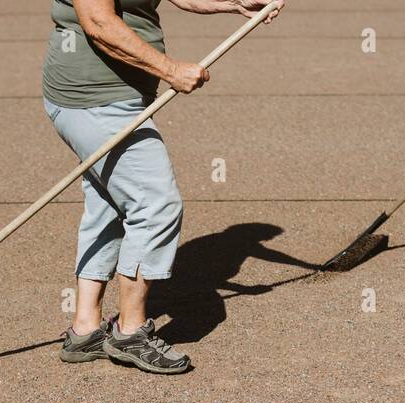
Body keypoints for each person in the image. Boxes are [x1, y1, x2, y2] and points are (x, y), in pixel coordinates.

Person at [44, 0, 283, 372]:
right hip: (95, 101)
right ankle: (130, 332)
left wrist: (235, 2)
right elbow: (97, 22)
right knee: (156, 205)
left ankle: (86, 330)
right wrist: (170, 70)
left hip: (112, 98)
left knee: (109, 206)